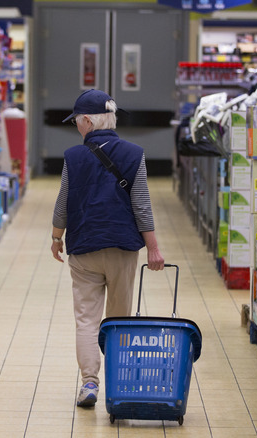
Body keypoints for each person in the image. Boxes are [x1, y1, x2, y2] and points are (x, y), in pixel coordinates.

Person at [50, 89, 165, 408]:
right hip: (123, 247)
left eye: (76, 122)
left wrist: (57, 236)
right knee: (119, 318)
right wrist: (153, 248)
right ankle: (119, 379)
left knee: (86, 319)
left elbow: (63, 201)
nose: (76, 127)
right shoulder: (134, 153)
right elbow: (141, 204)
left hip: (84, 247)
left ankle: (89, 382)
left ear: (87, 120)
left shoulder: (73, 157)